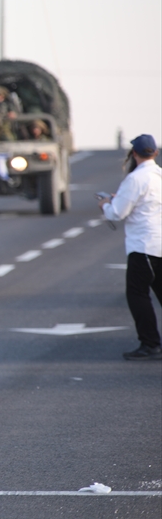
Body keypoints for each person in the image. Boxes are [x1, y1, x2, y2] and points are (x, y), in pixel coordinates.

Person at [100, 134, 162, 360]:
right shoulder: (159, 175)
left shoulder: (135, 179)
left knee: (137, 295)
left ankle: (150, 343)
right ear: (154, 152)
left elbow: (118, 212)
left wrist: (106, 204)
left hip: (144, 246)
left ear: (134, 153)